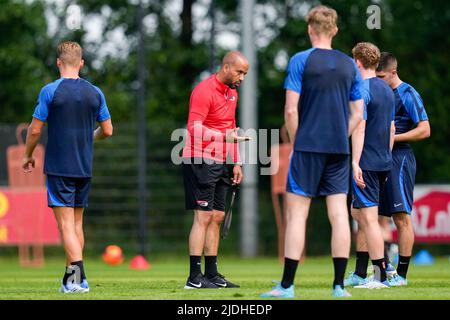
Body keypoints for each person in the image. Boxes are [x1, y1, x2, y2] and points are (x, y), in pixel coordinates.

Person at [261, 5, 364, 298]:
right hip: (338, 149)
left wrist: (297, 142)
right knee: (339, 215)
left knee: (297, 216)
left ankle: (287, 286)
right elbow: (358, 113)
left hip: (307, 146)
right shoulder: (348, 64)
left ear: (310, 29)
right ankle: (339, 287)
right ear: (335, 30)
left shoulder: (300, 60)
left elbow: (291, 110)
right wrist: (339, 135)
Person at [23, 41, 113, 293]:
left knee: (65, 227)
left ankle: (79, 280)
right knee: (75, 226)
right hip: (84, 167)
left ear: (58, 62)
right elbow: (108, 130)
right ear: (81, 63)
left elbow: (35, 130)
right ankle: (70, 281)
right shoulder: (95, 92)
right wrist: (87, 137)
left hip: (59, 167)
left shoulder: (50, 91)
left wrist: (27, 155)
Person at [181, 51, 249, 289]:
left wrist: (236, 163)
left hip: (222, 162)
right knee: (203, 216)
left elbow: (231, 129)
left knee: (217, 217)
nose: (242, 77)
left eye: (245, 74)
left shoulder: (233, 93)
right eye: (240, 72)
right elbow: (193, 128)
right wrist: (223, 137)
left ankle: (211, 274)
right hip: (199, 159)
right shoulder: (203, 90)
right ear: (227, 67)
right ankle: (194, 277)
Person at [375, 52, 431, 285]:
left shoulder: (407, 93)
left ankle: (402, 276)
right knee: (377, 218)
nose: (377, 80)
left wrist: (393, 138)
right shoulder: (379, 92)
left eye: (381, 76)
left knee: (401, 218)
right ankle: (380, 272)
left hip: (399, 158)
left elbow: (425, 129)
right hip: (377, 158)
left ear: (393, 72)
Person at [344, 42, 396, 289]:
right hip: (383, 161)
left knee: (369, 220)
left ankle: (380, 276)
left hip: (367, 162)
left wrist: (355, 161)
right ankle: (372, 270)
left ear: (357, 62)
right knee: (359, 214)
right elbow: (391, 128)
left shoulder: (362, 88)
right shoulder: (386, 88)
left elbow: (360, 127)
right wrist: (386, 155)